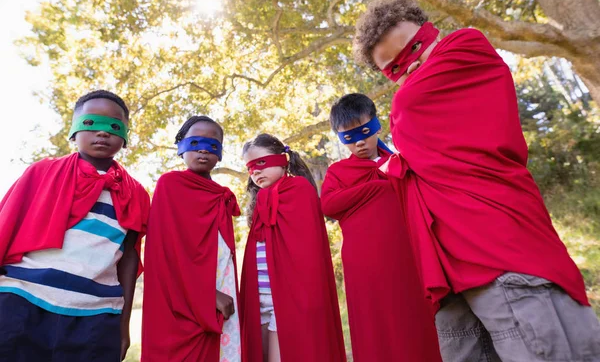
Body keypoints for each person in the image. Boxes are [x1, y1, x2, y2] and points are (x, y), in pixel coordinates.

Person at [352, 0, 600, 361]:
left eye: (414, 47)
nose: (411, 65)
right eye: (394, 68)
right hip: (453, 280)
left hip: (505, 260)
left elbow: (412, 107)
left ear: (430, 32)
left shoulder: (466, 48)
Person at [0, 90, 150, 361]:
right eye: (91, 123)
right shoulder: (42, 172)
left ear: (126, 135)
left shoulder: (135, 193)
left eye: (113, 126)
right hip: (22, 302)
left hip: (96, 316)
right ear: (73, 131)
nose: (102, 133)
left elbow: (129, 258)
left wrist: (123, 325)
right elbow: (4, 228)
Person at [321, 92, 442, 362]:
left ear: (377, 124)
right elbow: (328, 205)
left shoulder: (402, 160)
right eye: (349, 138)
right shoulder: (338, 172)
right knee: (377, 326)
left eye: (364, 131)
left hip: (408, 256)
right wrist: (376, 187)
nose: (360, 142)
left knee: (417, 319)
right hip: (366, 265)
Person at [141, 116, 242, 362]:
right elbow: (164, 256)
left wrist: (221, 293)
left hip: (223, 289)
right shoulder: (170, 185)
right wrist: (207, 296)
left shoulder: (220, 196)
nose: (203, 150)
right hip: (182, 301)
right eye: (195, 142)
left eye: (212, 144)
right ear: (180, 147)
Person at [240, 134, 346, 362]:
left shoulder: (299, 189)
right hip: (260, 295)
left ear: (282, 159)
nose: (255, 172)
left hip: (289, 297)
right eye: (250, 167)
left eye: (261, 163)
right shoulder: (260, 199)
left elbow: (306, 251)